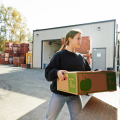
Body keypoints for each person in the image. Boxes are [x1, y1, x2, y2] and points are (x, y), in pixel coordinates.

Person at [45, 29, 98, 120]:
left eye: (81, 39)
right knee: (50, 118)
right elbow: (47, 72)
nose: (80, 41)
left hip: (75, 95)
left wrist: (97, 72)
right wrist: (57, 72)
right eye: (78, 39)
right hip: (59, 94)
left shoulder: (81, 58)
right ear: (70, 39)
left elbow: (88, 72)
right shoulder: (59, 55)